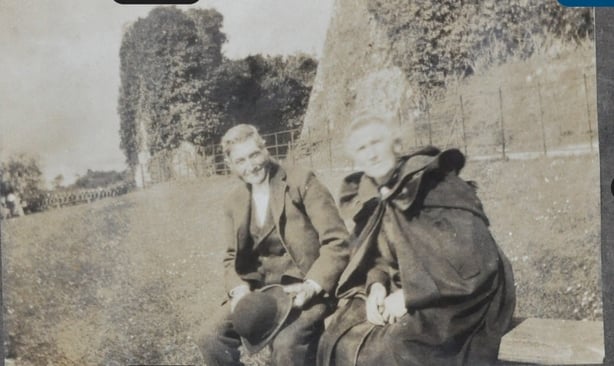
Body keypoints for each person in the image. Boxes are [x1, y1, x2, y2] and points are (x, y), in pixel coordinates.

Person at [317, 116, 516, 366]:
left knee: (397, 346)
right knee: (339, 335)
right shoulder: (375, 196)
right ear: (355, 160)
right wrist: (376, 286)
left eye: (376, 142)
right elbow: (378, 256)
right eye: (362, 149)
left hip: (464, 296)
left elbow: (474, 259)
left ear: (397, 145)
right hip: (415, 289)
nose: (372, 154)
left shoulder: (434, 182)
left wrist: (409, 296)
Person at [199, 124, 350, 366]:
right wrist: (239, 292)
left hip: (304, 290)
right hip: (260, 294)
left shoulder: (301, 181)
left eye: (254, 154)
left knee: (286, 346)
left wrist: (312, 286)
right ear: (231, 165)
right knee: (210, 337)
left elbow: (338, 241)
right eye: (240, 161)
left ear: (265, 149)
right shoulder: (233, 201)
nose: (251, 166)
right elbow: (230, 258)